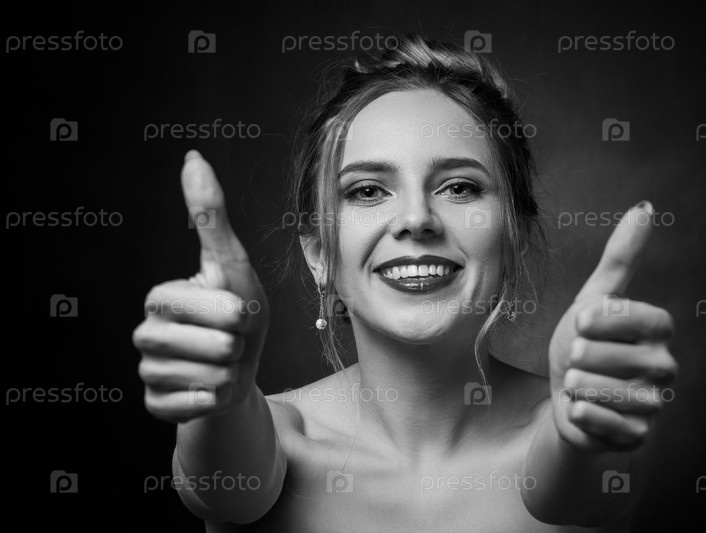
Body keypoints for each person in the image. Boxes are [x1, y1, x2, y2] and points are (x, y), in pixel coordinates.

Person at [132, 33, 677, 532]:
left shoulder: (585, 424)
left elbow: (577, 484)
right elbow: (225, 484)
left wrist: (585, 431)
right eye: (367, 191)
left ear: (513, 237)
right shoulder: (273, 438)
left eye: (459, 187)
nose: (417, 219)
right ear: (319, 254)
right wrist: (219, 402)